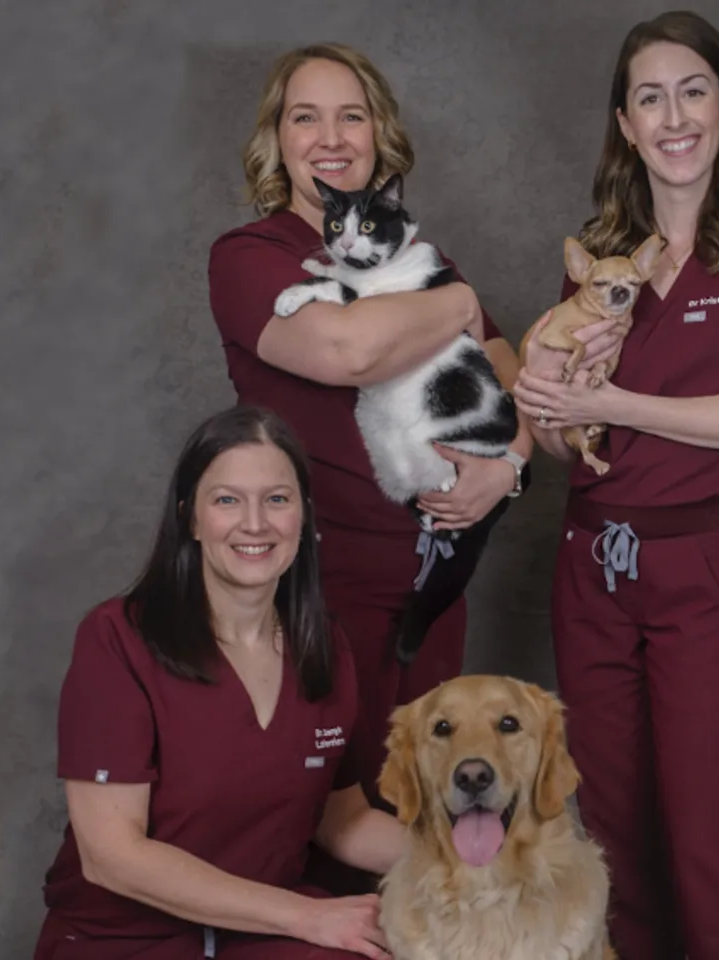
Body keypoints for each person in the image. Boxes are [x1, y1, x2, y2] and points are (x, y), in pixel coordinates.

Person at [205, 43, 621, 893]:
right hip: (313, 593)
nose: (331, 137)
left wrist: (507, 468)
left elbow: (518, 386)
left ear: (379, 135)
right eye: (306, 117)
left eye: (351, 115)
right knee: (313, 820)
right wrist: (459, 305)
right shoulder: (251, 256)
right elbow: (347, 351)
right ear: (276, 138)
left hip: (432, 588)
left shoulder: (419, 262)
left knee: (428, 813)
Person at [512, 11, 719, 960]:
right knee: (613, 842)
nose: (675, 116)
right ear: (625, 125)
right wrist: (543, 405)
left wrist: (615, 399)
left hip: (707, 566)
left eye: (693, 91)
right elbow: (567, 439)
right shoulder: (600, 263)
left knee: (699, 842)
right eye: (650, 99)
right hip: (593, 565)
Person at [31, 406, 405, 960]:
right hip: (125, 941)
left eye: (277, 499)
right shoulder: (117, 640)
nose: (255, 523)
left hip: (255, 936)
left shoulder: (323, 646)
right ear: (191, 519)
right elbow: (111, 856)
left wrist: (480, 863)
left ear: (304, 516)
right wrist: (307, 916)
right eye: (227, 500)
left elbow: (342, 821)